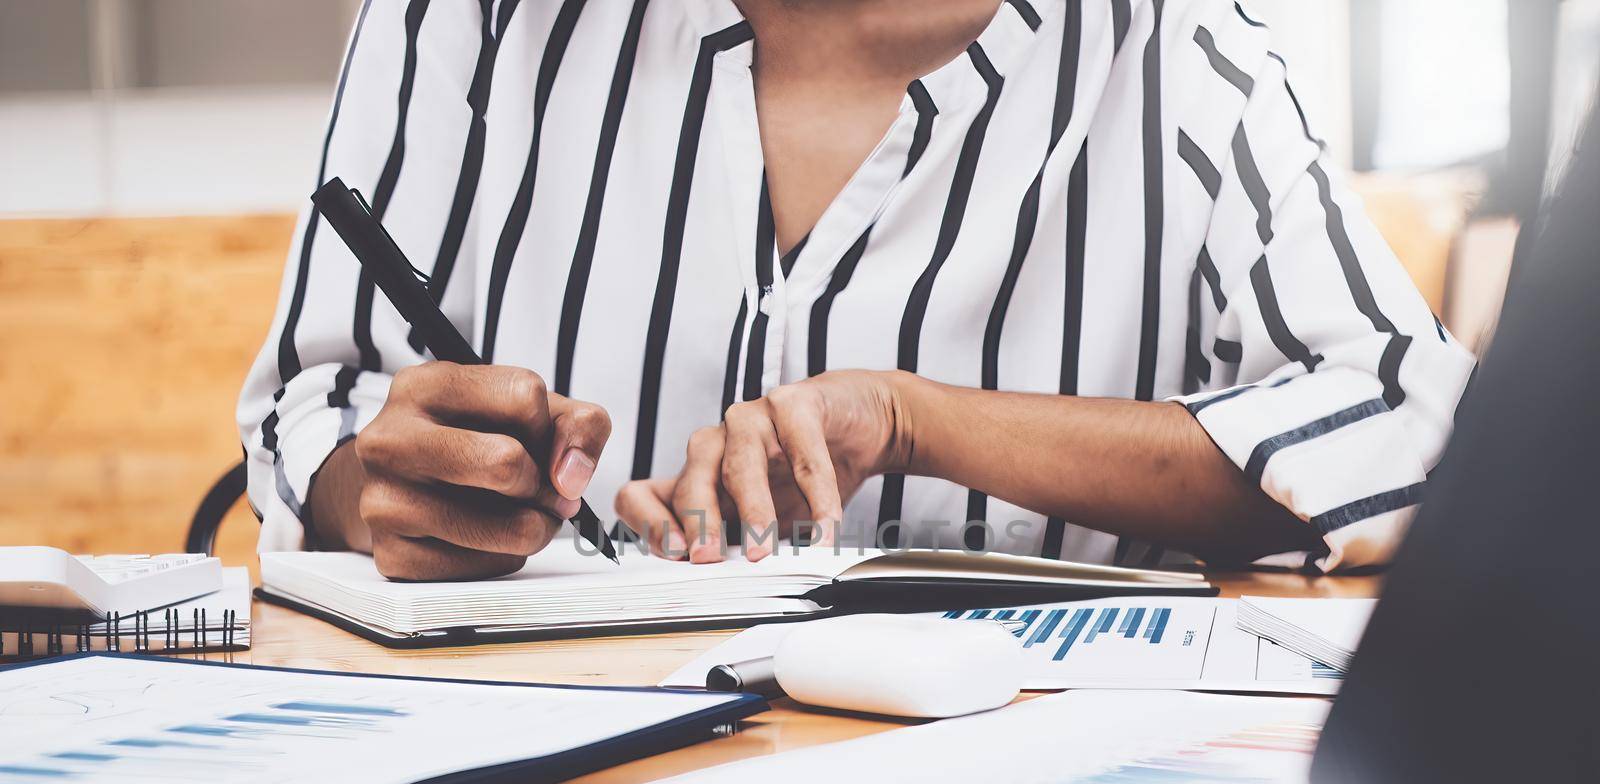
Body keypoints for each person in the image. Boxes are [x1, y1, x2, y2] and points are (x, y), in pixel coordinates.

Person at [238, 0, 1474, 579]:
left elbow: (1406, 425)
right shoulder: (473, 23)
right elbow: (314, 407)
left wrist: (917, 420)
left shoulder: (1181, 56)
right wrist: (382, 489)